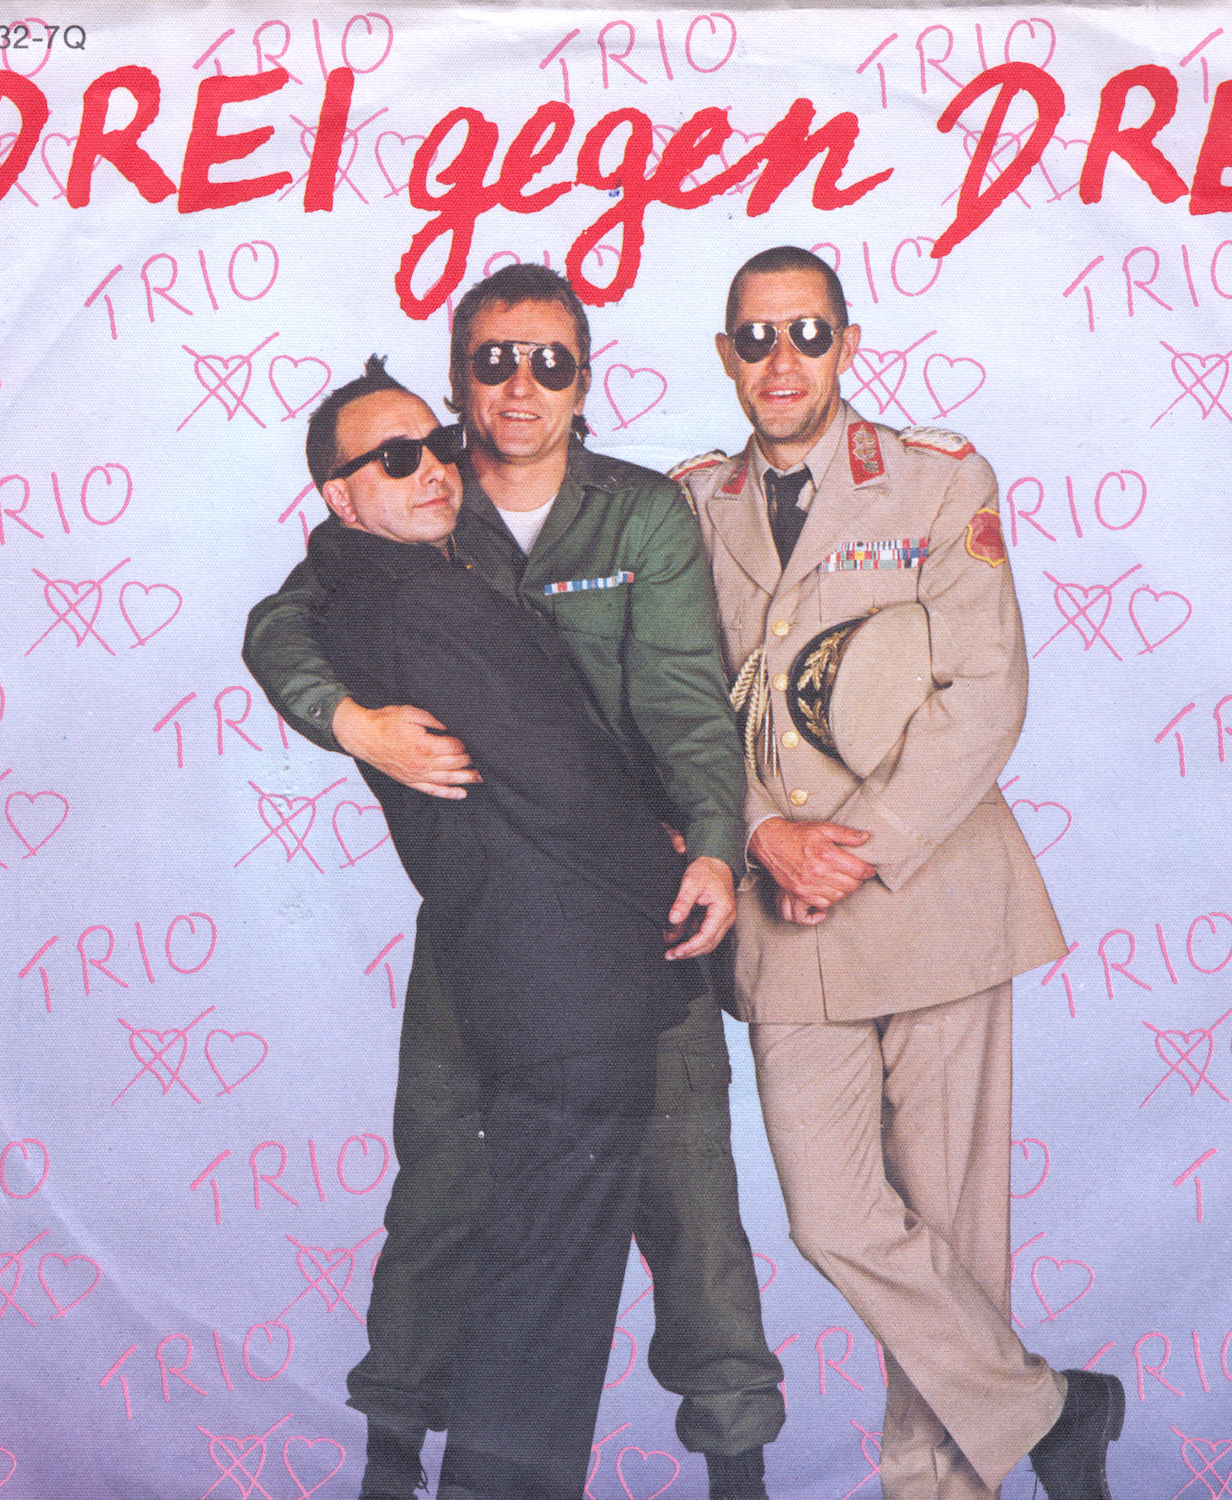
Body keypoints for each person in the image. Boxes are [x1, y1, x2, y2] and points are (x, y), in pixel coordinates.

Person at [243, 265, 783, 1500]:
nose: (522, 386)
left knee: (691, 1196)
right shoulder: (419, 505)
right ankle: (395, 1462)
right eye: (494, 362)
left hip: (635, 908)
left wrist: (710, 846)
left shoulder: (638, 513)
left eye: (551, 362)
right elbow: (280, 622)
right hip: (486, 922)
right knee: (444, 1188)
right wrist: (352, 723)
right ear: (457, 381)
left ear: (585, 382)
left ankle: (737, 1468)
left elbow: (686, 702)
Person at [674, 246, 1126, 1500]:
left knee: (952, 1226)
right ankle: (1053, 1410)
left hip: (931, 898)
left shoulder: (936, 478)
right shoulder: (690, 505)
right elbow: (677, 708)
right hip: (782, 917)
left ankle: (939, 1488)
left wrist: (854, 848)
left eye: (807, 334)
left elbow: (985, 690)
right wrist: (762, 832)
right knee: (834, 1217)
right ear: (725, 355)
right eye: (756, 337)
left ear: (849, 344)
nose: (782, 361)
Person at [299, 357, 701, 1500]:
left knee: (535, 1283)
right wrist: (677, 884)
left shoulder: (375, 581)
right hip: (567, 984)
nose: (432, 467)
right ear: (340, 495)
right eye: (394, 459)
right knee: (547, 1303)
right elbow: (558, 777)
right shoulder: (418, 600)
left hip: (529, 978)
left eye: (434, 444)